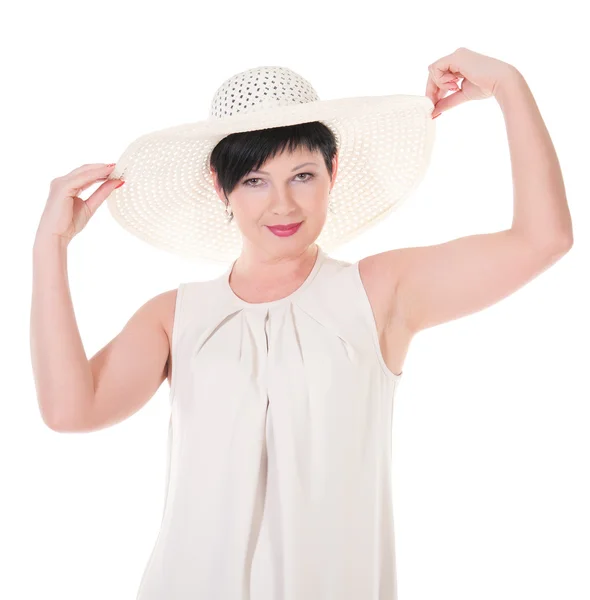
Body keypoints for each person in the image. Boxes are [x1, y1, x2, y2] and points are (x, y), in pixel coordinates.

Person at [31, 48, 572, 600]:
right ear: (222, 189)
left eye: (303, 175)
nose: (283, 204)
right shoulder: (175, 316)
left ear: (332, 173)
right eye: (255, 182)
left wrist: (508, 85)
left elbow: (543, 239)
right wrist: (50, 246)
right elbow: (72, 410)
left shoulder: (379, 292)